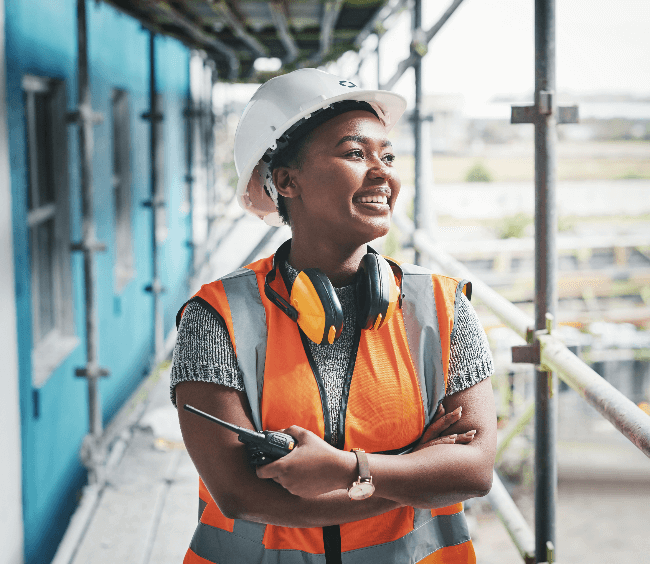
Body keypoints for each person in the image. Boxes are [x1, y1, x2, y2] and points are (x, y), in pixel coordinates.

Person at [172, 68, 497, 564]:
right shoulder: (216, 319)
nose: (383, 171)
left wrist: (348, 469)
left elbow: (473, 472)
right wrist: (413, 470)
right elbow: (240, 496)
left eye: (386, 155)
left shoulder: (441, 306)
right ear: (286, 180)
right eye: (354, 153)